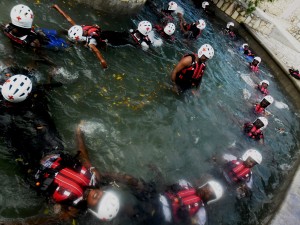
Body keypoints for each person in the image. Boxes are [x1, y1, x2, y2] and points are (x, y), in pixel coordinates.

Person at [0, 68, 121, 224]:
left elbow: (40, 221)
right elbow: (83, 156)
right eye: (103, 196)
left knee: (10, 134)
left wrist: (8, 223)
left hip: (34, 164)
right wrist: (79, 133)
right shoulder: (94, 178)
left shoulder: (70, 210)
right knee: (40, 112)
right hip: (53, 149)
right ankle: (41, 84)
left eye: (99, 204)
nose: (99, 197)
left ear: (93, 211)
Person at [3, 4, 67, 64]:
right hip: (38, 34)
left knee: (62, 44)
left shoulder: (6, 28)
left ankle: (66, 36)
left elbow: (43, 56)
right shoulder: (32, 42)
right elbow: (42, 57)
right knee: (58, 37)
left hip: (42, 40)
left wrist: (53, 66)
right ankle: (66, 34)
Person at [68, 21, 153, 51]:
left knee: (124, 40)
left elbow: (97, 50)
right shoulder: (144, 42)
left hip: (107, 35)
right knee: (123, 38)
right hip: (107, 35)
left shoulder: (91, 38)